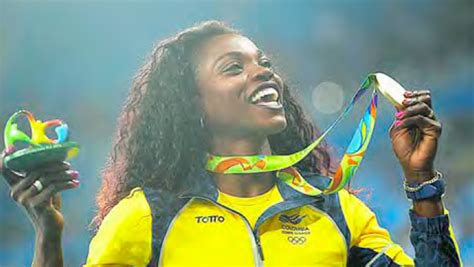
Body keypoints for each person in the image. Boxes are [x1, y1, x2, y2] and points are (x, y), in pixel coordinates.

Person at [0, 21, 462, 266]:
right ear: (193, 106)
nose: (263, 72)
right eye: (233, 67)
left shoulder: (335, 211)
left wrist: (421, 183)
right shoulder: (146, 217)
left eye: (262, 62)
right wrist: (50, 240)